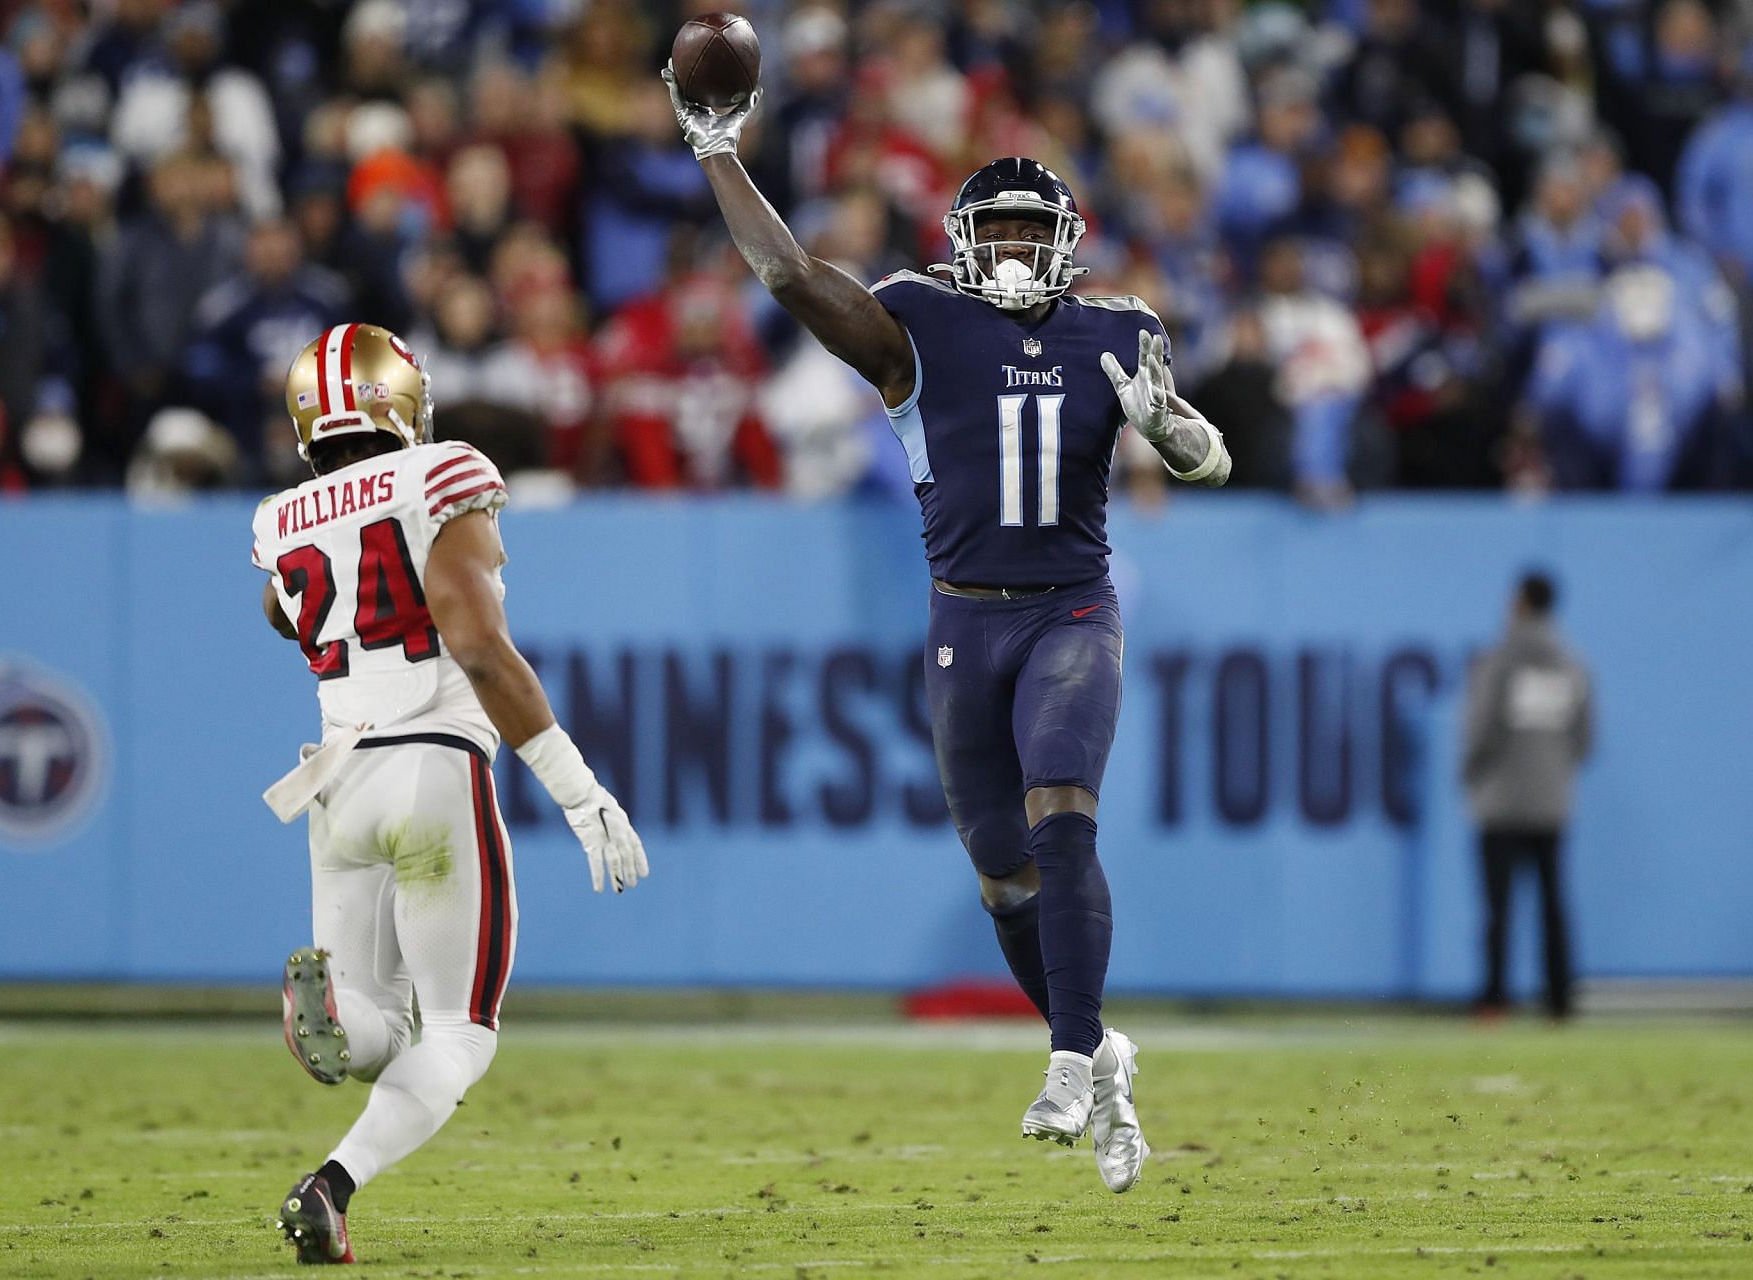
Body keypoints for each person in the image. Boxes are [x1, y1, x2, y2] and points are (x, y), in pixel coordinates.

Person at [665, 59, 1236, 1193]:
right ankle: (1105, 1051)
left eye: (1036, 231)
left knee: (1063, 809)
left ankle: (1070, 1055)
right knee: (1001, 873)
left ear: (1066, 238)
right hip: (963, 624)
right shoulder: (917, 319)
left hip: (1072, 609)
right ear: (968, 238)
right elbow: (784, 270)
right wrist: (717, 149)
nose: (1020, 251)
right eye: (1003, 232)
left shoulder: (1119, 328)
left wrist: (1164, 418)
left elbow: (1212, 459)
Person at [250, 323, 648, 1263]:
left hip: (336, 786)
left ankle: (337, 1018)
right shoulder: (442, 472)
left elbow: (282, 610)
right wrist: (578, 788)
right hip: (432, 763)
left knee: (385, 1023)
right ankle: (331, 1185)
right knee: (463, 1033)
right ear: (401, 402)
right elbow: (476, 645)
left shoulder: (280, 516)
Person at [1462, 571, 1593, 1020]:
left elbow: (1481, 730)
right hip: (1552, 802)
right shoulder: (1572, 664)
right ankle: (1560, 1000)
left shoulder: (1499, 661)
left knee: (1498, 906)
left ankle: (1495, 997)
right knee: (1553, 903)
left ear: (1519, 602)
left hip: (1501, 803)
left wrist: (1470, 775)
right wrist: (1554, 771)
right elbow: (1585, 737)